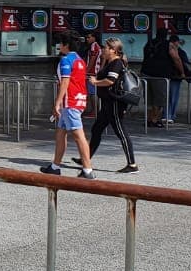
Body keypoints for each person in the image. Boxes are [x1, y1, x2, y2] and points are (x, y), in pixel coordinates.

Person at [73, 37, 139, 173]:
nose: (103, 49)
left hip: (114, 102)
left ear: (113, 50)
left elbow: (110, 81)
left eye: (106, 48)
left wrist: (95, 82)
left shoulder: (116, 63)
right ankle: (86, 158)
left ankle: (132, 164)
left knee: (121, 132)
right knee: (97, 129)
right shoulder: (110, 62)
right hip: (107, 102)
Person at [40, 32, 95, 179]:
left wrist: (57, 103)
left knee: (78, 135)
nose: (59, 46)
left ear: (65, 45)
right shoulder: (80, 60)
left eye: (60, 43)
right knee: (60, 133)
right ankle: (55, 166)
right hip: (78, 99)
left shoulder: (65, 60)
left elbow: (65, 82)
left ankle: (88, 170)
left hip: (69, 102)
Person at [141, 28, 170, 128]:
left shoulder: (149, 43)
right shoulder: (168, 44)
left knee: (149, 99)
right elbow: (175, 57)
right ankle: (155, 120)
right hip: (160, 75)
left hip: (146, 72)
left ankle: (149, 119)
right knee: (159, 99)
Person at [161, 34, 191, 125]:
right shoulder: (180, 52)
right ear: (177, 42)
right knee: (173, 97)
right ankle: (170, 115)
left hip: (166, 76)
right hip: (176, 77)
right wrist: (183, 73)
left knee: (166, 97)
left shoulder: (164, 51)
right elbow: (185, 64)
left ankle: (166, 115)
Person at [83, 32, 102, 118]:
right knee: (91, 92)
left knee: (92, 92)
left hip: (92, 72)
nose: (87, 39)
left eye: (89, 37)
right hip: (92, 71)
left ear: (94, 38)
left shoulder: (94, 46)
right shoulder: (95, 46)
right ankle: (94, 110)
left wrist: (86, 71)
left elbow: (92, 59)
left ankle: (95, 111)